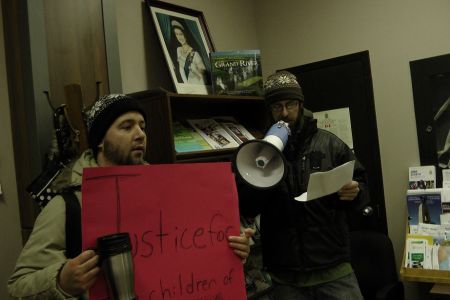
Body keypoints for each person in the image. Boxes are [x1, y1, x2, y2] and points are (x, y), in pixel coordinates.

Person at [8, 94, 254, 299]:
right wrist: (61, 281)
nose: (140, 134)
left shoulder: (168, 194)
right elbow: (18, 286)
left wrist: (230, 251)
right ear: (100, 141)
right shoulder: (68, 205)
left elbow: (190, 250)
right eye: (126, 127)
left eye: (142, 127)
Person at [237, 71, 369, 300]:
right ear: (269, 110)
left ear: (300, 104)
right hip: (285, 277)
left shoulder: (331, 144)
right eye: (277, 106)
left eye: (290, 104)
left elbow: (362, 192)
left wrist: (355, 192)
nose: (285, 113)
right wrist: (259, 175)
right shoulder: (259, 152)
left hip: (333, 269)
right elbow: (247, 207)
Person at [171, 19, 207, 85]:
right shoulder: (178, 50)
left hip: (198, 85)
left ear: (185, 34)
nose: (179, 37)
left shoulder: (195, 53)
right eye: (176, 34)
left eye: (181, 34)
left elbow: (204, 74)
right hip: (187, 88)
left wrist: (193, 70)